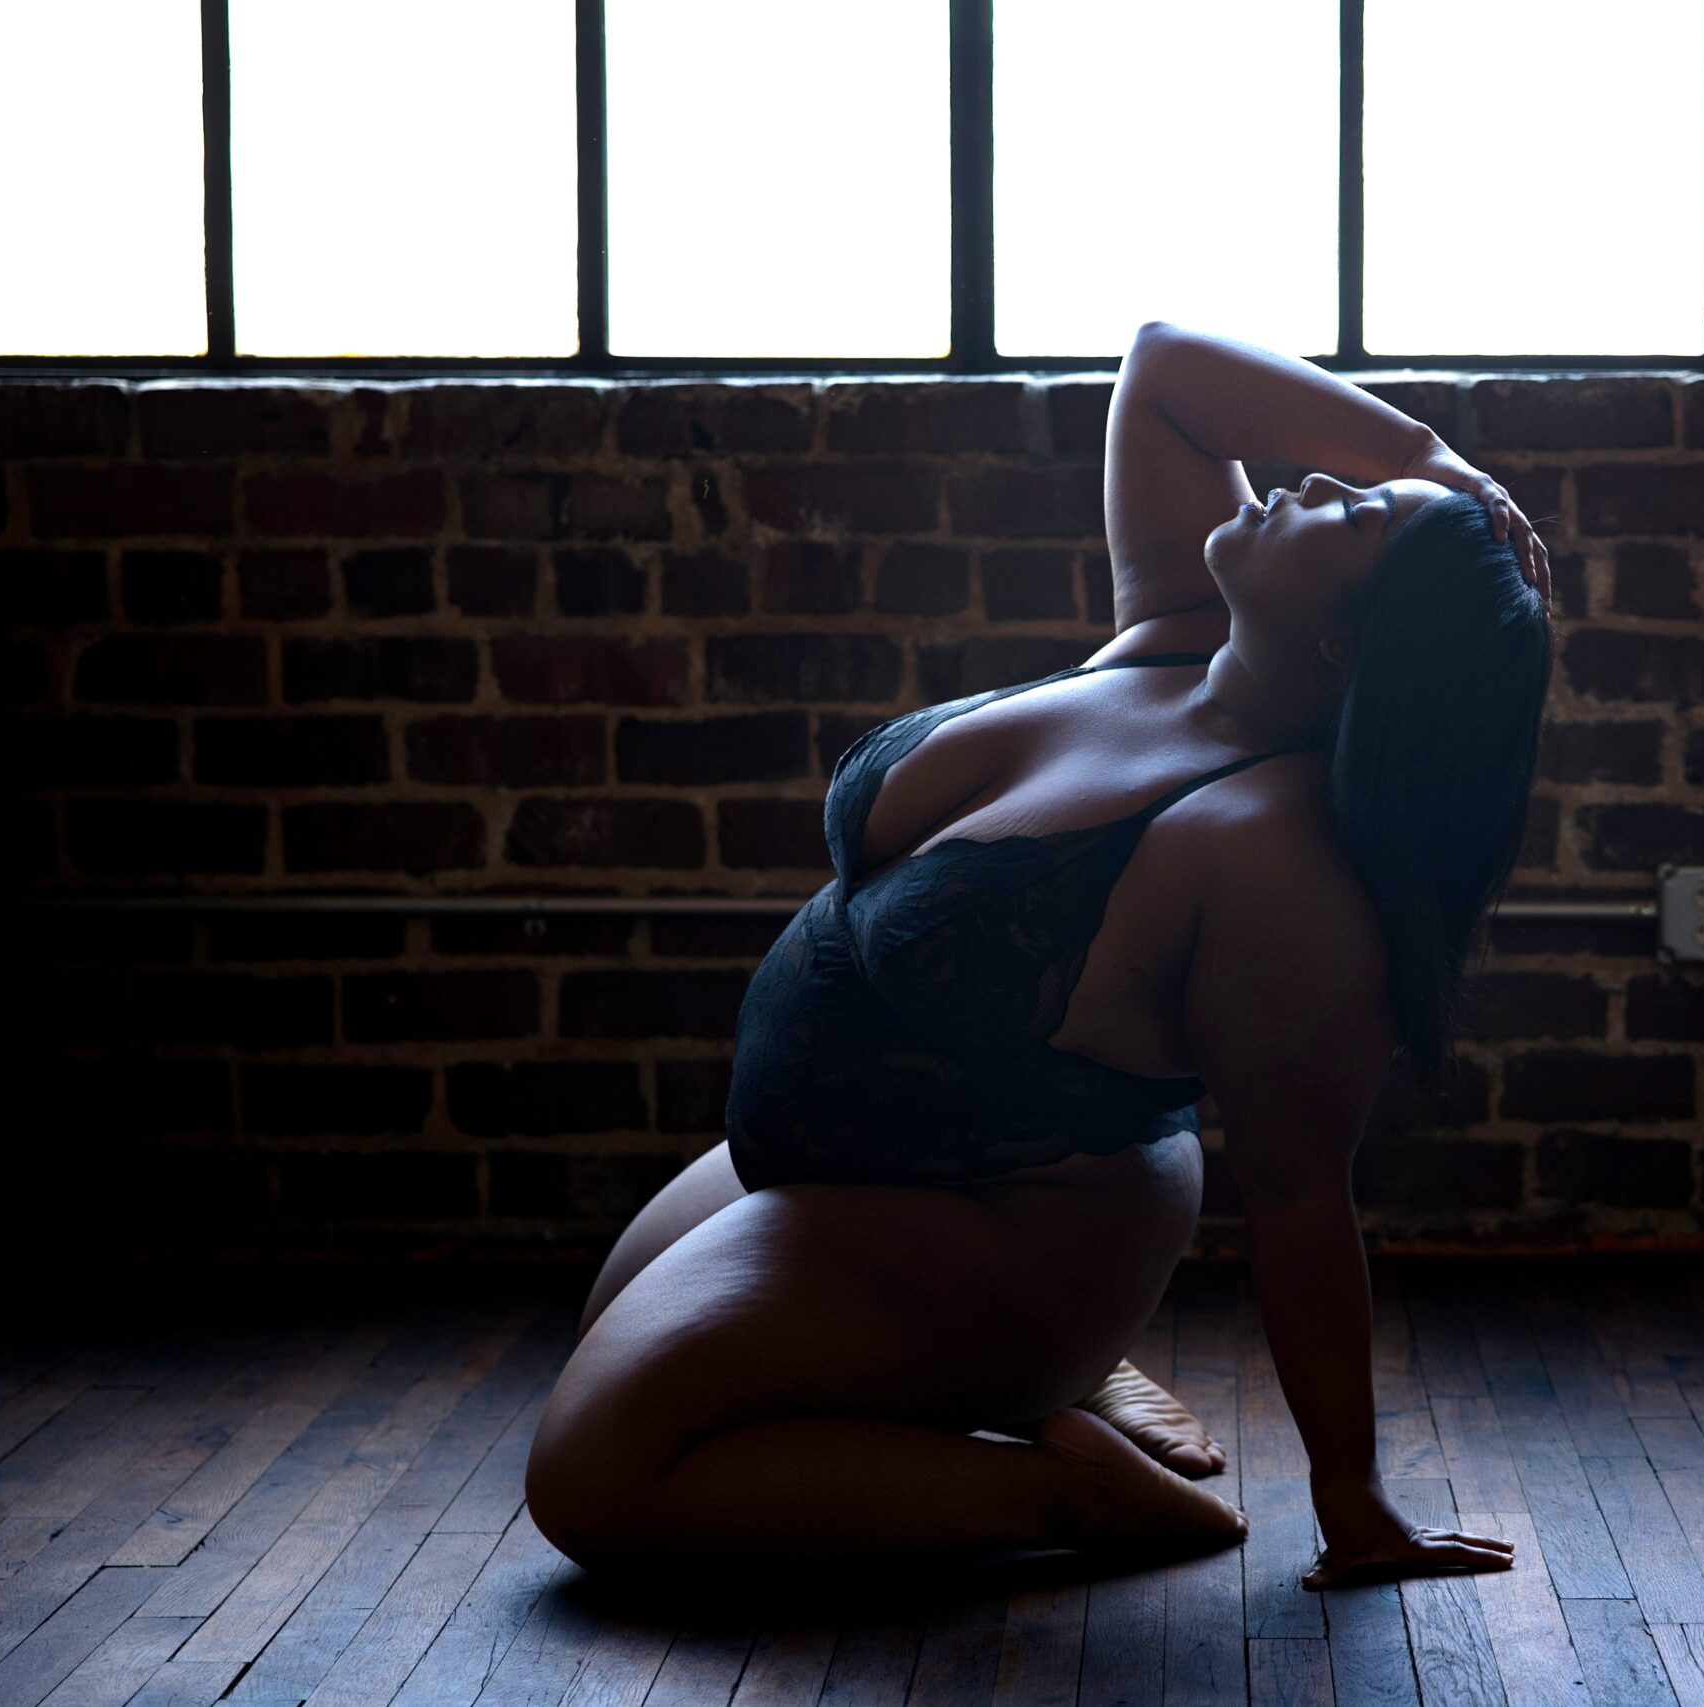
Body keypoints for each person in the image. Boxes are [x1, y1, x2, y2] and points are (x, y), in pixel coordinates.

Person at [524, 320, 1555, 1590]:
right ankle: (1068, 1379)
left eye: (1352, 518)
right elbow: (1166, 366)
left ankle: (1063, 1479)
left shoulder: (1271, 862)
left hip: (1013, 1226)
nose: (1312, 480)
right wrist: (1442, 463)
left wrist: (1352, 1504)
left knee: (600, 1476)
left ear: (1349, 645)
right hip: (844, 1176)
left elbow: (1297, 1201)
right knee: (610, 1346)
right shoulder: (1179, 633)